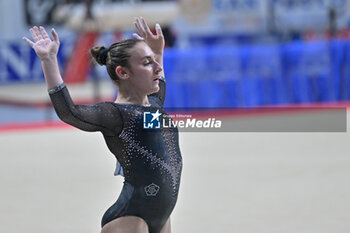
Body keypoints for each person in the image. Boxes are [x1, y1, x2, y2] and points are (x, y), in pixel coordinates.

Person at [23, 17, 182, 233]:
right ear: (123, 73)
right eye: (147, 63)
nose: (157, 68)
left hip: (161, 215)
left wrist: (158, 52)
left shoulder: (152, 106)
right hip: (131, 216)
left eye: (154, 62)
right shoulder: (116, 115)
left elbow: (158, 83)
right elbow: (70, 112)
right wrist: (49, 61)